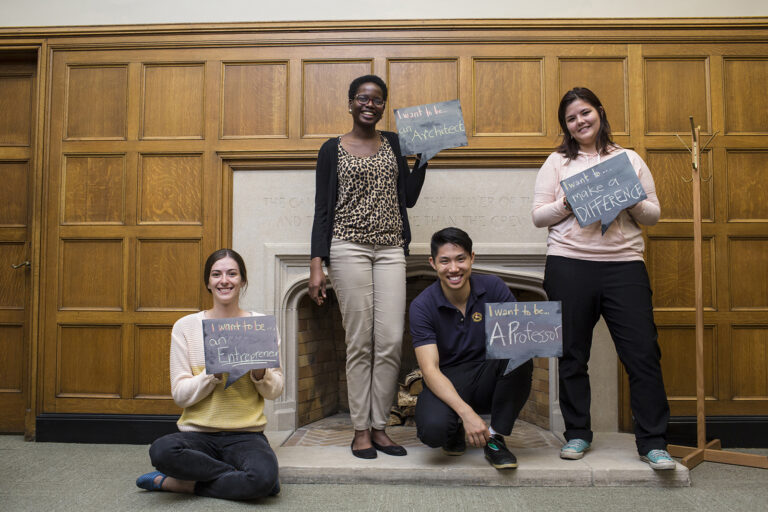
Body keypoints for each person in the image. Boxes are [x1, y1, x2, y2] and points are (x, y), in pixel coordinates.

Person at [532, 87, 674, 469]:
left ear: (599, 112)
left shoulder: (628, 159)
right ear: (566, 126)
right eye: (571, 118)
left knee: (643, 353)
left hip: (625, 266)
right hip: (569, 264)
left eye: (585, 113)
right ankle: (578, 434)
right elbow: (538, 216)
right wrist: (569, 200)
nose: (580, 121)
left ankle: (653, 442)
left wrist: (630, 198)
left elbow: (653, 215)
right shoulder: (558, 161)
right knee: (572, 355)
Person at [308, 74, 427, 459]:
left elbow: (407, 198)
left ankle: (381, 427)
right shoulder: (332, 149)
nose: (370, 104)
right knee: (359, 341)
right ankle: (360, 430)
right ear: (351, 102)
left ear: (383, 106)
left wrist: (424, 158)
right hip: (347, 249)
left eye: (377, 99)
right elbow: (322, 210)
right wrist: (316, 264)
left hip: (391, 249)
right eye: (363, 97)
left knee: (391, 339)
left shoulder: (394, 142)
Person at [135, 248, 283, 499]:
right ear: (208, 282)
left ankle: (180, 484)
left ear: (242, 281)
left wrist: (261, 374)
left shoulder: (260, 325)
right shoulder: (185, 327)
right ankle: (249, 480)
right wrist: (211, 373)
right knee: (161, 451)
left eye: (232, 274)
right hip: (197, 435)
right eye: (216, 274)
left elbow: (276, 391)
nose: (224, 280)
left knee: (261, 477)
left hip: (246, 436)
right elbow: (180, 396)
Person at [409, 227, 533, 469]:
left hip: (488, 373)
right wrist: (466, 414)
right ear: (433, 263)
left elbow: (520, 339)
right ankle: (454, 427)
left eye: (460, 259)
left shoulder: (494, 287)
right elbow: (430, 370)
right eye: (444, 261)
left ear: (472, 258)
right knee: (433, 432)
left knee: (520, 353)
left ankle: (495, 438)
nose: (454, 268)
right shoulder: (421, 306)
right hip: (448, 379)